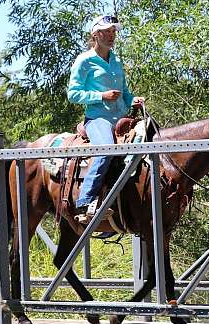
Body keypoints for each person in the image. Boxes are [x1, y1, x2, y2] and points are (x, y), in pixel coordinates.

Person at [67, 14, 144, 223]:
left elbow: (124, 92)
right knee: (107, 149)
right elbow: (73, 94)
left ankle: (131, 204)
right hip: (97, 118)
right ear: (95, 34)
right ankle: (84, 202)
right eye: (107, 32)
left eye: (113, 32)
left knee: (149, 142)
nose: (112, 36)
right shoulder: (84, 61)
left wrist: (132, 100)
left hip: (121, 119)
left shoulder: (116, 60)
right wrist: (101, 95)